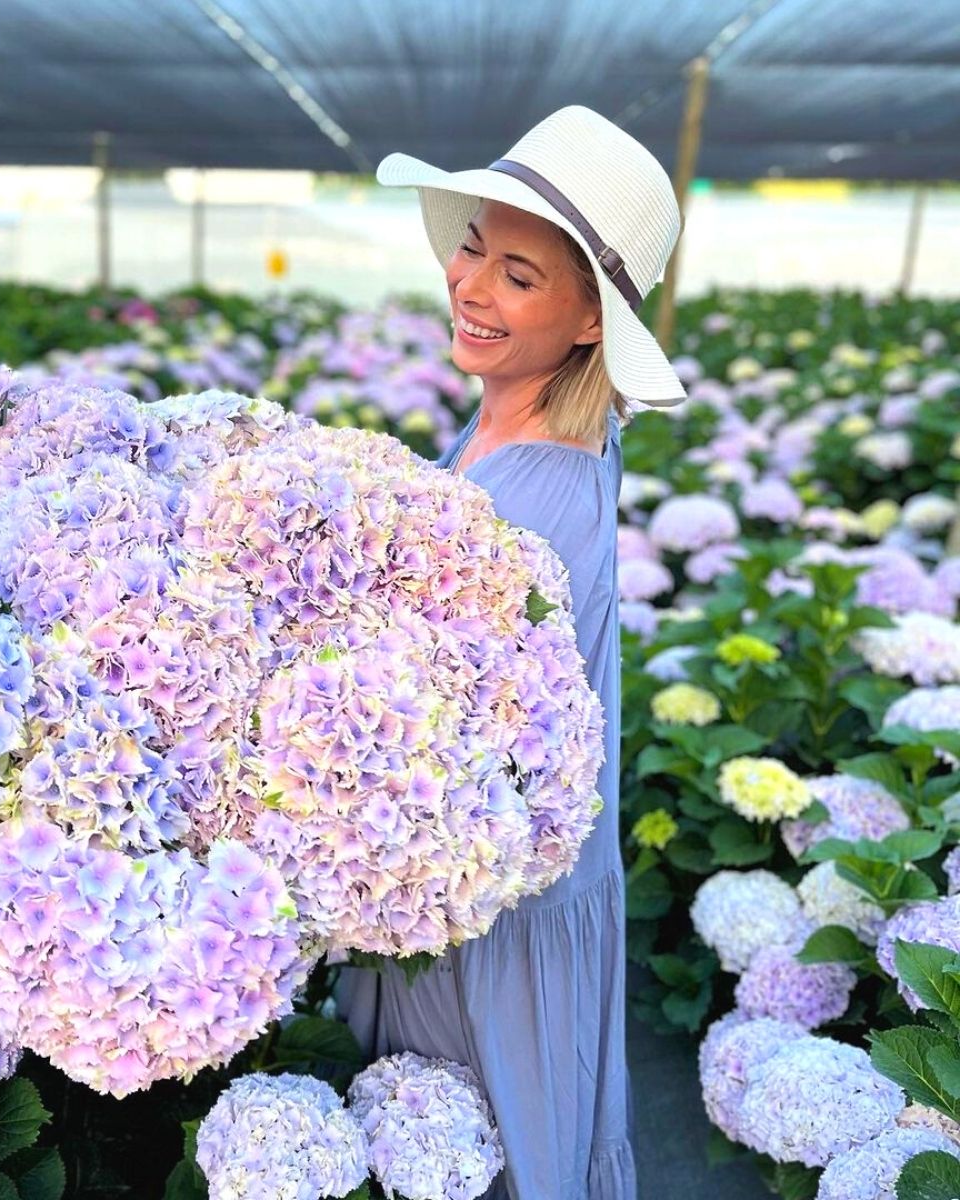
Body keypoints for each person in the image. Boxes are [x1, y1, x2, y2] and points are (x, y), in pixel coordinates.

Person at [334, 106, 687, 1199]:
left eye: (520, 274)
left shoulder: (536, 500)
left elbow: (459, 751)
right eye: (474, 246)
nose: (472, 285)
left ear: (590, 322)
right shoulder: (514, 430)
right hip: (461, 894)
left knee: (477, 1160)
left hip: (488, 919)